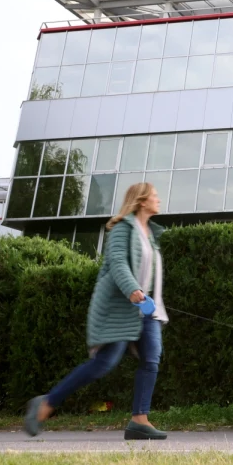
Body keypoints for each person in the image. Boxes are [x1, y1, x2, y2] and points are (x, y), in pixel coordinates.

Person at [24, 182, 169, 441]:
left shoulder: (152, 234)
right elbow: (117, 263)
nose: (159, 199)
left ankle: (139, 420)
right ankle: (45, 403)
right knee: (105, 363)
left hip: (146, 309)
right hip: (120, 306)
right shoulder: (123, 229)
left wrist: (152, 304)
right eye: (155, 196)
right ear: (141, 201)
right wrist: (132, 289)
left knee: (151, 359)